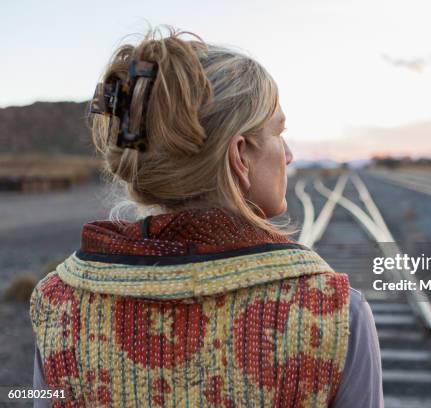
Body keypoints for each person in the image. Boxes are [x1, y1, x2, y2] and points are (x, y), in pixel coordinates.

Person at [29, 26, 382, 407]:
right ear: (240, 155)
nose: (289, 154)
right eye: (279, 132)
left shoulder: (56, 304)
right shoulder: (335, 312)